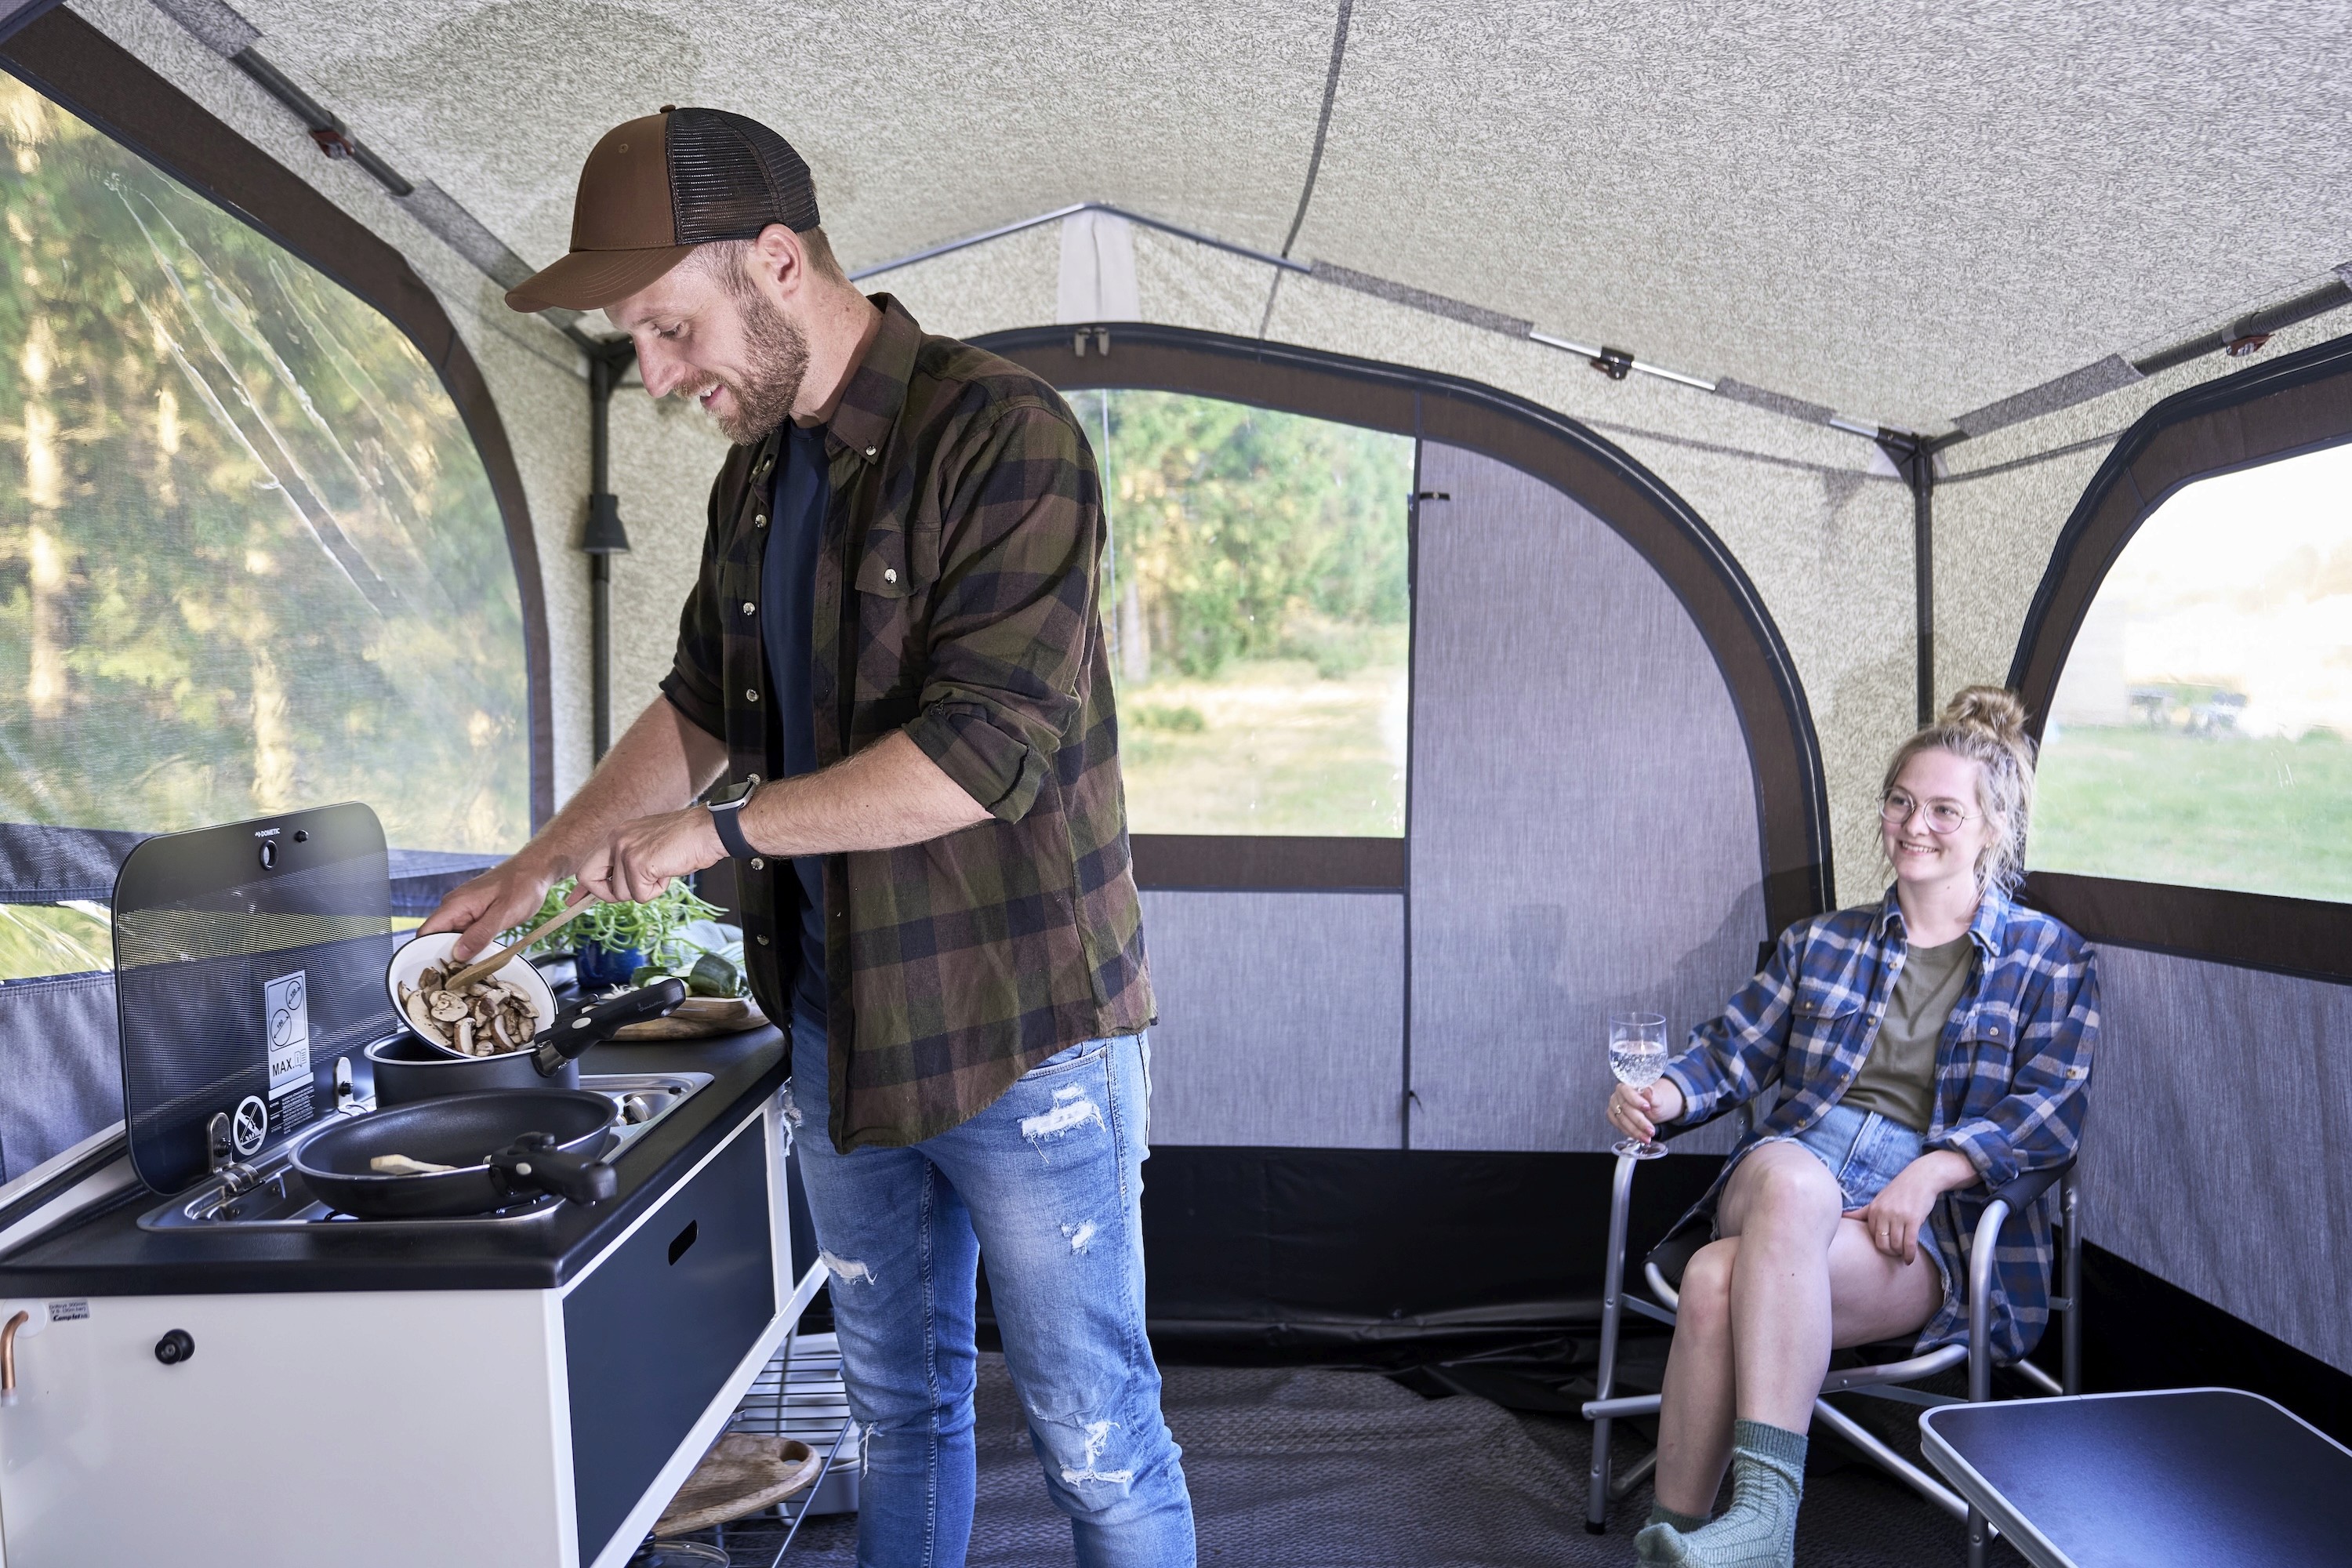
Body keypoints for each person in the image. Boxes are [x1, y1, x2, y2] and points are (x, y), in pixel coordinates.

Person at [422, 107, 1194, 1567]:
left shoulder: (1005, 433)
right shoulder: (754, 478)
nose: (654, 377)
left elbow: (983, 754)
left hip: (1027, 1035)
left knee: (1097, 1441)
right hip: (843, 1030)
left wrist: (714, 837)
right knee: (902, 1413)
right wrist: (537, 866)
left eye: (668, 328)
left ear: (777, 262)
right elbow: (702, 706)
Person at [1606, 688, 2097, 1568]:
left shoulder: (2049, 957)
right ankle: (1766, 1517)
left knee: (1717, 1281)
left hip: (1923, 1224)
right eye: (1902, 801)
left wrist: (1938, 1167)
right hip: (1795, 1167)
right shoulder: (1820, 943)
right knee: (1796, 1182)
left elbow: (2051, 1109)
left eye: (1946, 808)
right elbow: (1727, 1055)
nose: (1916, 824)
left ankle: (1676, 1537)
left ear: (1993, 829)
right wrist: (1662, 1098)